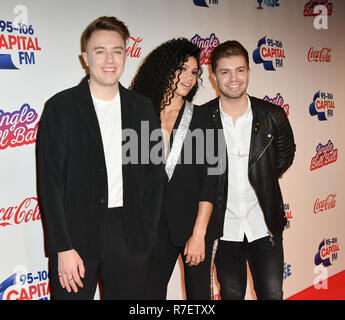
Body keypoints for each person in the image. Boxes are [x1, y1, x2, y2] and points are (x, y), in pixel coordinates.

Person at [37, 16, 166, 300]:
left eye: (117, 51)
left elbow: (155, 173)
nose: (110, 59)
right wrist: (63, 247)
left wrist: (148, 228)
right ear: (85, 58)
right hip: (76, 236)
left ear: (126, 54)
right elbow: (50, 183)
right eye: (100, 51)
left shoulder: (142, 107)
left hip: (131, 236)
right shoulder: (62, 107)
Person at [130, 38, 224, 299]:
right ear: (163, 69)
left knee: (199, 297)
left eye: (194, 72)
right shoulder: (140, 115)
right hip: (155, 228)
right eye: (181, 69)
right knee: (149, 295)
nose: (189, 77)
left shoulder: (204, 118)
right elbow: (132, 175)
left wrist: (199, 234)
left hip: (195, 226)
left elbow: (211, 180)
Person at [202, 40, 296, 300]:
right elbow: (199, 174)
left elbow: (285, 156)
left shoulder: (273, 115)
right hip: (223, 230)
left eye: (240, 70)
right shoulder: (203, 118)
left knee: (272, 294)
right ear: (213, 76)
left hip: (263, 227)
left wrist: (263, 177)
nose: (234, 79)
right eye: (225, 72)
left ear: (248, 72)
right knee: (231, 295)